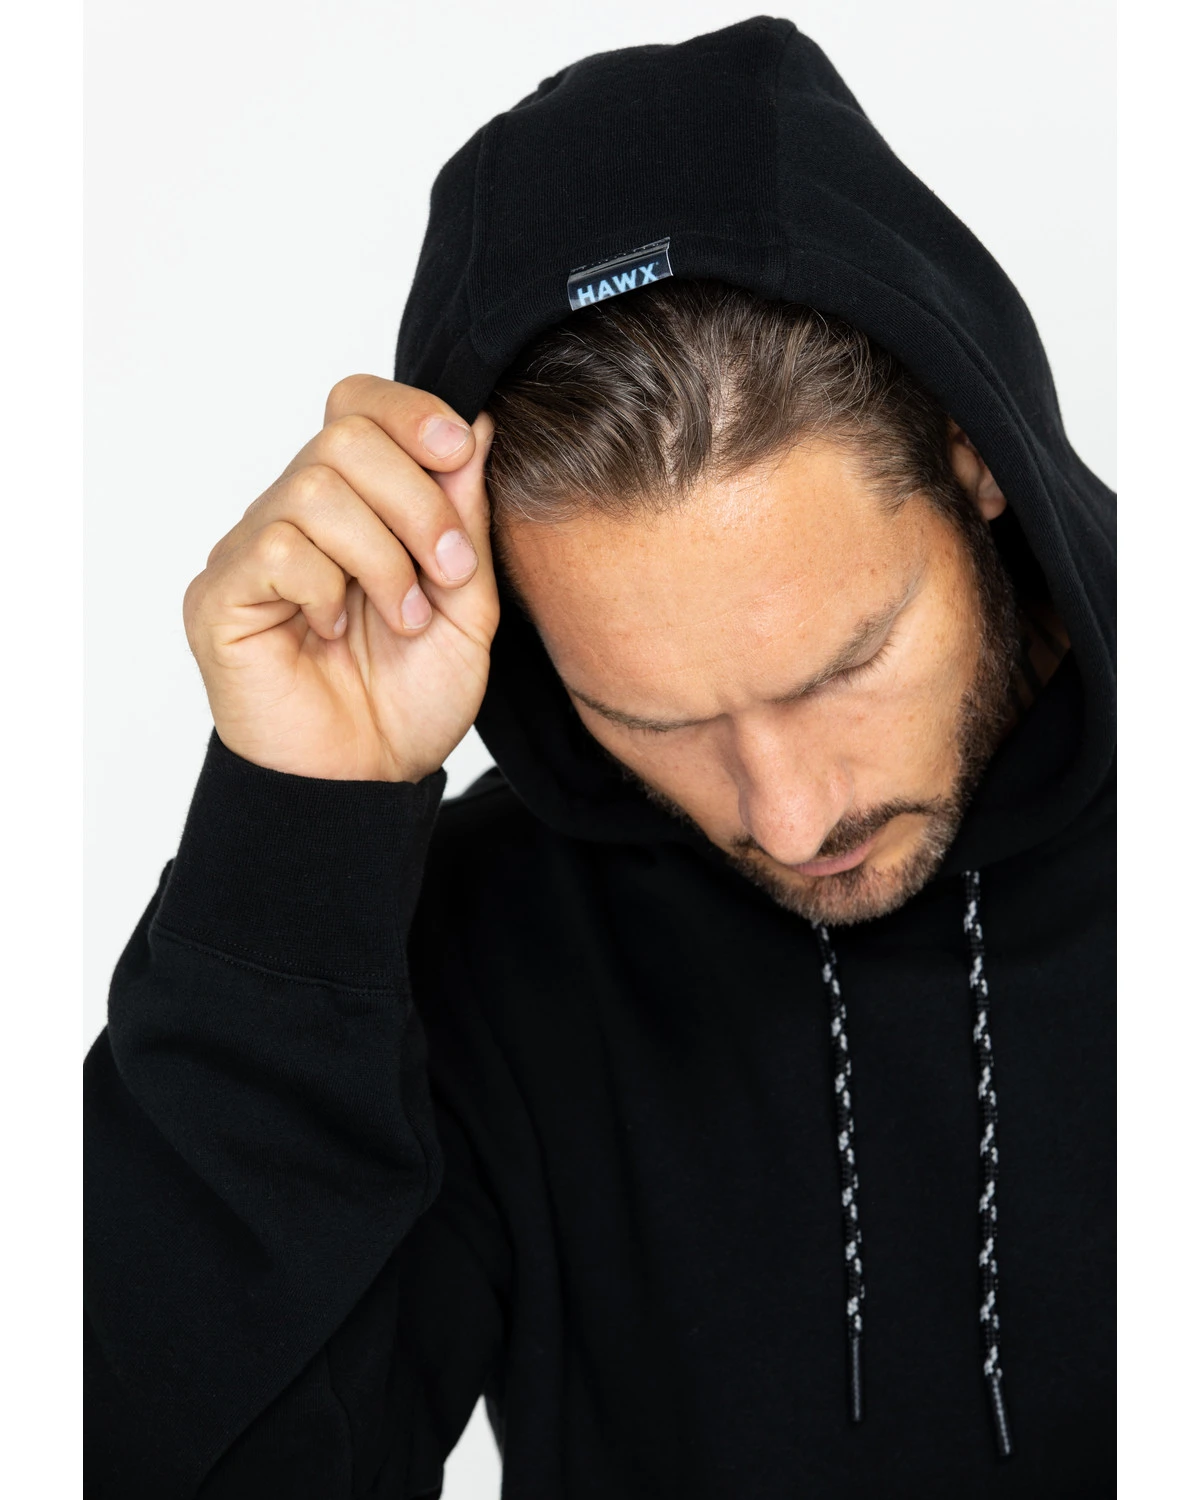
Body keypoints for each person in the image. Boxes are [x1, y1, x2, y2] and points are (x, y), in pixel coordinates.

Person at [84, 18, 1115, 1498]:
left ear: (974, 459)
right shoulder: (479, 945)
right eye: (654, 721)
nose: (790, 815)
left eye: (844, 667)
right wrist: (294, 838)